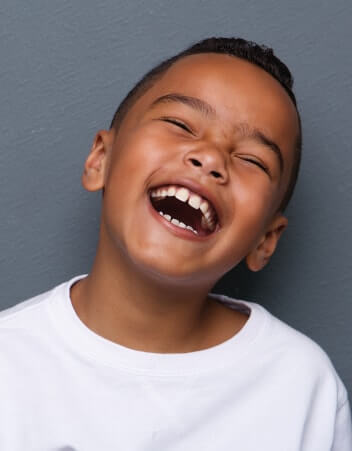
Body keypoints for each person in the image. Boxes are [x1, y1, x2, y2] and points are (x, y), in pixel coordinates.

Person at [0, 37, 351, 451]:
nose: (210, 158)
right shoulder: (11, 364)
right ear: (100, 161)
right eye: (180, 125)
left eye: (253, 160)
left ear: (266, 241)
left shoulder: (301, 386)